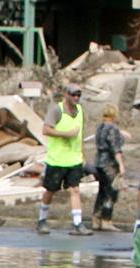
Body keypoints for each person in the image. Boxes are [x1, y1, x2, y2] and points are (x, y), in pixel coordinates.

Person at [38, 84, 93, 236]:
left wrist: (82, 155)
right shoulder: (57, 109)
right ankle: (42, 220)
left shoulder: (80, 110)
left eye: (78, 95)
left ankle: (78, 224)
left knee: (75, 190)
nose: (76, 98)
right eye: (73, 95)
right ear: (66, 95)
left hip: (74, 159)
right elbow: (46, 129)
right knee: (50, 190)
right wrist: (65, 134)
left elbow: (81, 134)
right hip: (57, 159)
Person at [92, 104, 127, 232]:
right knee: (111, 193)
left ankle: (96, 219)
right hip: (109, 164)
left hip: (99, 162)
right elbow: (115, 149)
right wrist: (121, 165)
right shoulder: (112, 129)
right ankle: (106, 220)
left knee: (102, 191)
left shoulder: (100, 127)